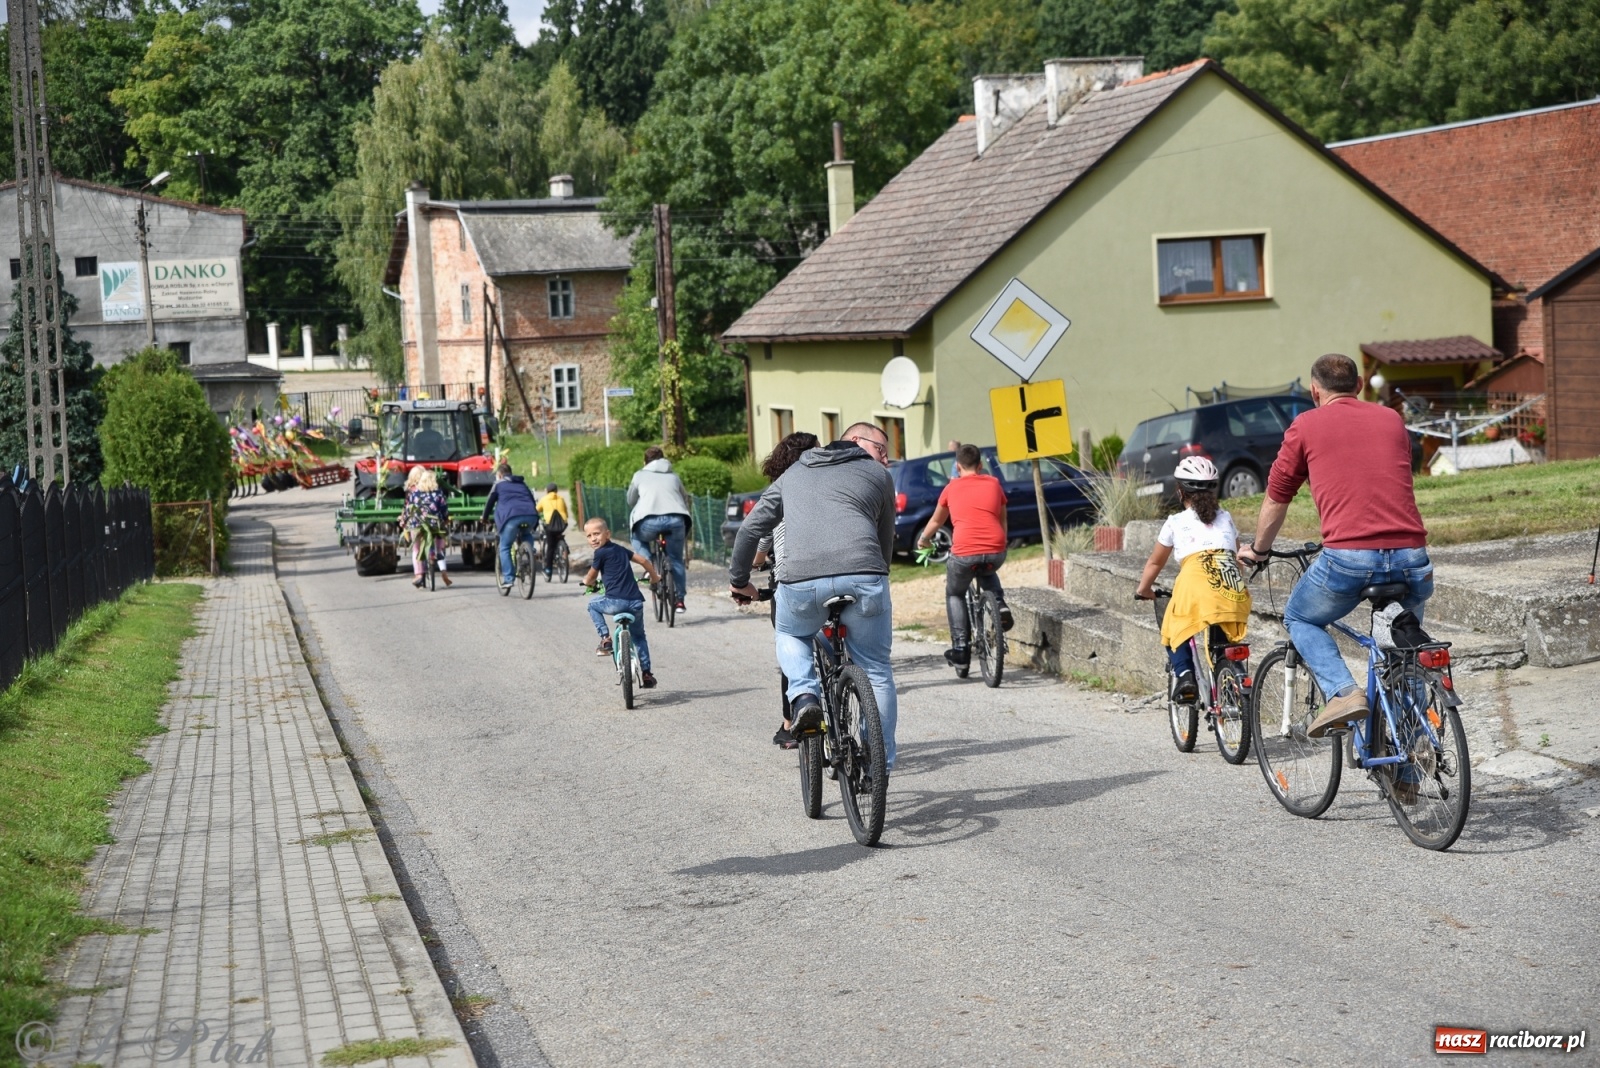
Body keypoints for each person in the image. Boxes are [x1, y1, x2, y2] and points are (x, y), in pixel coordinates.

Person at [1237, 353, 1432, 765]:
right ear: (1359, 386)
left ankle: (1344, 694)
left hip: (1350, 560)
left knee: (1301, 617)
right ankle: (1413, 765)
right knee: (1403, 648)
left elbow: (1277, 498)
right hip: (1413, 558)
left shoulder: (1305, 425)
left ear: (1314, 391)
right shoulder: (1391, 420)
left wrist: (1258, 550)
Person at [729, 423, 899, 779]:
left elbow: (750, 529)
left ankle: (805, 696)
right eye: (880, 448)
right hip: (866, 576)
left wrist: (739, 581)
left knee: (791, 635)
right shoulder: (877, 474)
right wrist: (876, 574)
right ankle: (877, 766)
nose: (884, 455)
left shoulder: (792, 475)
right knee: (877, 671)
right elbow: (886, 537)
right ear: (857, 444)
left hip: (802, 582)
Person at [1134, 456, 1251, 701]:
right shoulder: (1226, 517)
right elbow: (1236, 556)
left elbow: (1155, 562)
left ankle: (1186, 676)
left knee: (1173, 627)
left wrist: (1144, 589)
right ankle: (1228, 682)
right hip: (1231, 587)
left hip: (1194, 584)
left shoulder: (1175, 522)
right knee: (1223, 635)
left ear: (1180, 491)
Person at [751, 431, 821, 748]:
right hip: (846, 572)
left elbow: (763, 536)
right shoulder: (829, 484)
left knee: (790, 645)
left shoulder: (780, 489)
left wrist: (756, 563)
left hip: (793, 580)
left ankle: (790, 722)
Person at [916, 444, 1013, 668]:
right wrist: (1001, 542)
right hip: (996, 549)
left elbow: (936, 521)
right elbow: (1003, 518)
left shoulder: (951, 488)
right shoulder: (994, 483)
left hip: (965, 552)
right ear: (980, 465)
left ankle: (960, 648)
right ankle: (998, 602)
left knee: (955, 593)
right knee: (987, 567)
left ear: (957, 466)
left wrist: (924, 541)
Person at [582, 517, 660, 688]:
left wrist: (587, 583)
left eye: (597, 534)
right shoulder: (622, 550)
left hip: (615, 602)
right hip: (636, 603)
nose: (593, 538)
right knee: (639, 637)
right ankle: (646, 674)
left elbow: (592, 575)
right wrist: (654, 577)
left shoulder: (600, 553)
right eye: (589, 536)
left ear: (607, 534)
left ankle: (605, 639)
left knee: (592, 605)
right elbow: (644, 561)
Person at [627, 446, 693, 613]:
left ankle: (650, 568)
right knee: (676, 559)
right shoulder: (674, 477)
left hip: (649, 522)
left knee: (636, 536)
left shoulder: (639, 475)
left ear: (645, 462)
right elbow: (685, 499)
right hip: (676, 520)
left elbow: (630, 500)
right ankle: (679, 601)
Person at [480, 463, 541, 589]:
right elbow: (531, 499)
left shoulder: (498, 484)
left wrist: (484, 517)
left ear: (500, 475)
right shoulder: (522, 484)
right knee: (526, 533)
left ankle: (508, 579)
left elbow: (490, 501)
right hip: (531, 515)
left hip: (511, 517)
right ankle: (528, 553)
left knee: (505, 546)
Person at [401, 466, 451, 589]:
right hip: (434, 524)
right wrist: (445, 519)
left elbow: (408, 510)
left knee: (416, 550)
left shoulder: (414, 494)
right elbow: (444, 510)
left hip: (417, 526)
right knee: (440, 532)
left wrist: (404, 522)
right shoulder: (439, 494)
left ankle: (418, 575)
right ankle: (439, 551)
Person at [536, 482, 569, 579]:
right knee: (559, 537)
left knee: (550, 547)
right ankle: (564, 548)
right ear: (556, 491)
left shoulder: (544, 499)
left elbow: (537, 510)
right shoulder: (561, 498)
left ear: (547, 491)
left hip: (550, 526)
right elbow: (566, 512)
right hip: (562, 525)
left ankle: (548, 570)